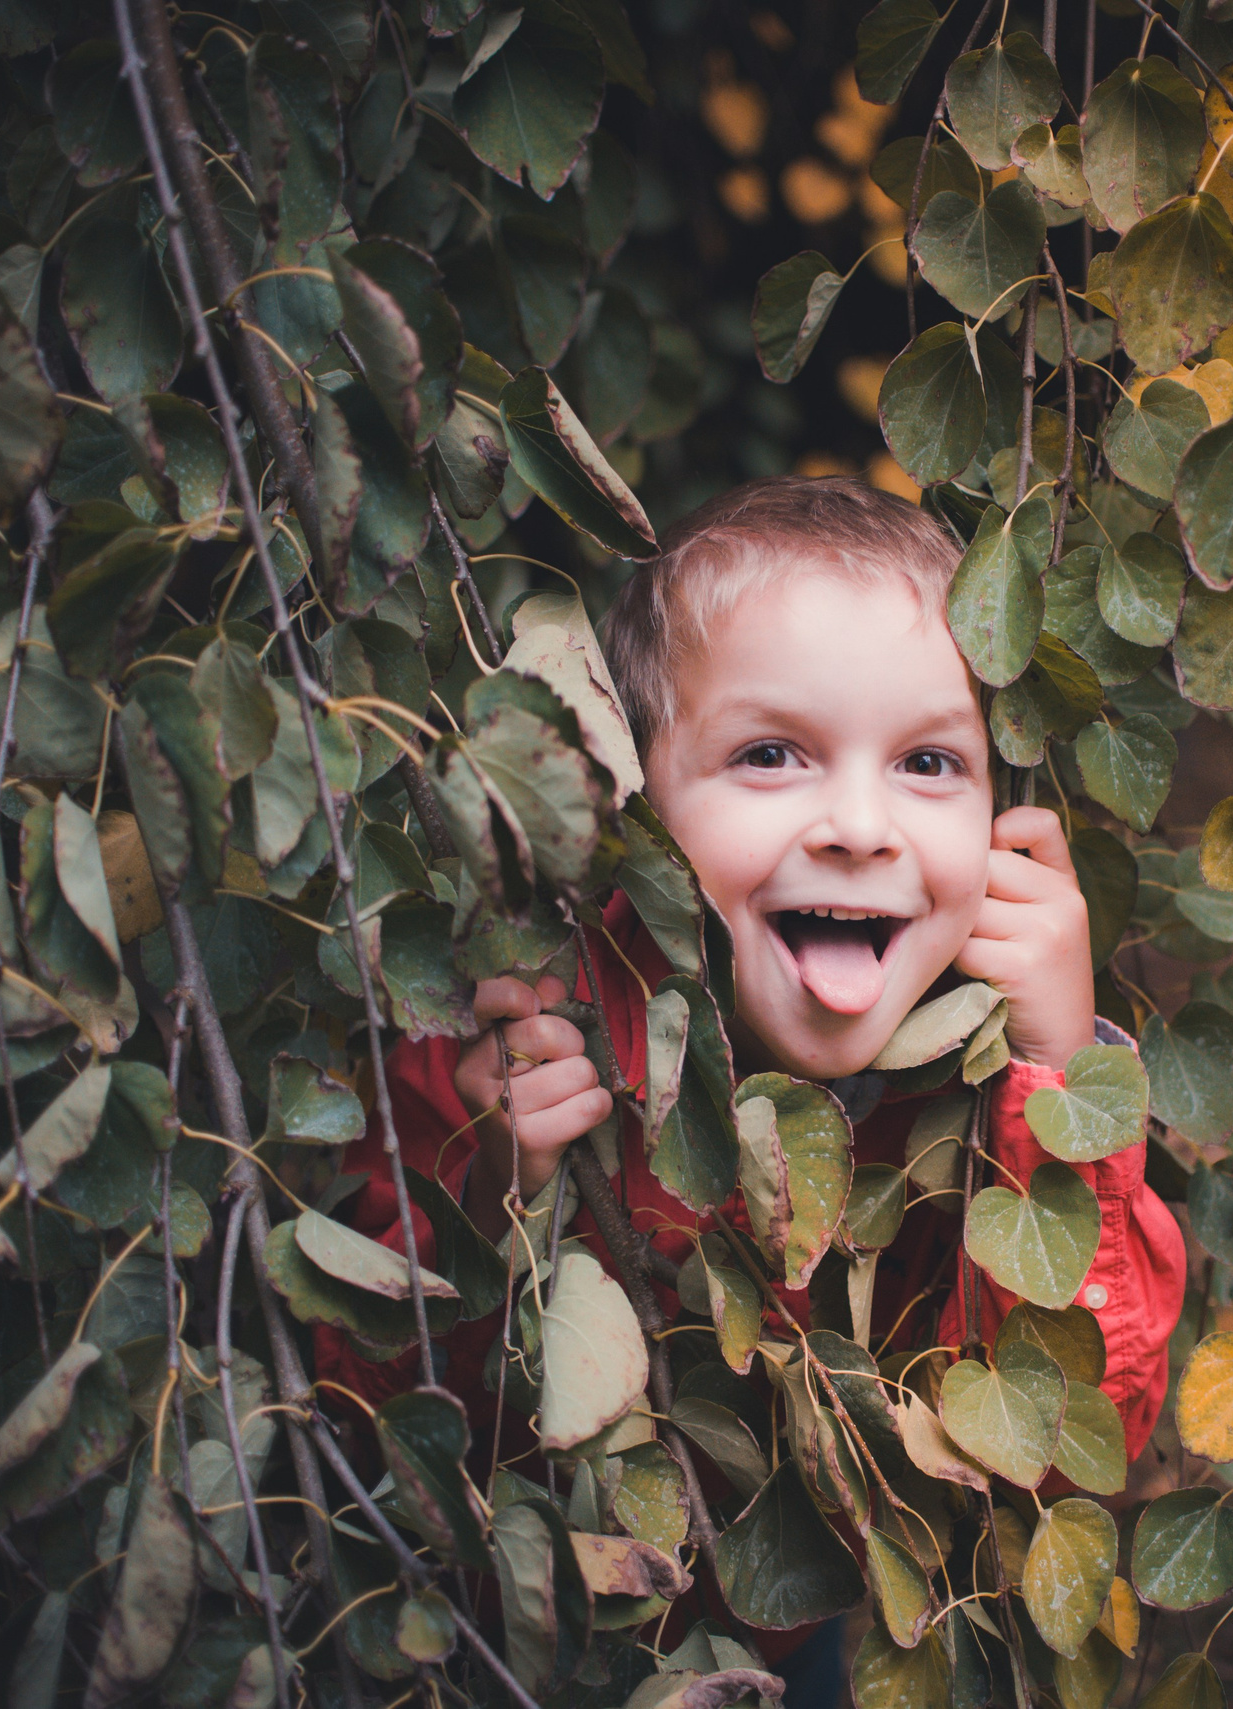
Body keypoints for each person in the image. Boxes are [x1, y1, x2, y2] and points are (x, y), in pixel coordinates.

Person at [312, 476, 1186, 1692]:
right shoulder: (523, 1020)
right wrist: (495, 1192)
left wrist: (1057, 1084)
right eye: (770, 753)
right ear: (631, 798)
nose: (860, 826)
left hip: (799, 1637)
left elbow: (1054, 1452)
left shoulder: (983, 1077)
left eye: (929, 760)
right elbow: (365, 1409)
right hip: (476, 1644)